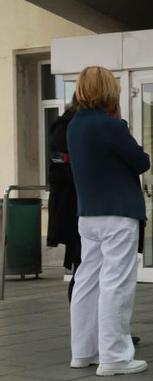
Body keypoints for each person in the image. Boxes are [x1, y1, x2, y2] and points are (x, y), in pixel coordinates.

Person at [67, 66, 149, 377]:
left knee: (87, 280)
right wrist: (123, 127)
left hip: (88, 213)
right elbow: (141, 161)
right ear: (108, 90)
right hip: (118, 211)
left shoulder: (74, 125)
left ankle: (83, 351)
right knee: (117, 283)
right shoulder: (110, 125)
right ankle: (114, 356)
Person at [47, 97, 81, 302]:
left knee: (85, 268)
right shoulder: (66, 127)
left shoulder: (72, 125)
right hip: (72, 207)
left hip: (78, 205)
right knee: (83, 269)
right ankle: (84, 329)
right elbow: (60, 169)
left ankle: (94, 329)